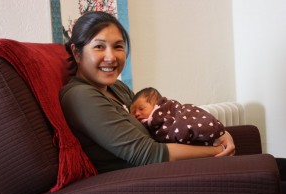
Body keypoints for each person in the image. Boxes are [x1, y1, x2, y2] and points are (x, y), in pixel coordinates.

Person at [59, 11, 234, 174]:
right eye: (99, 47)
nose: (111, 57)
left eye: (118, 46)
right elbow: (150, 154)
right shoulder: (80, 96)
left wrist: (218, 133)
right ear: (77, 53)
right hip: (141, 180)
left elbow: (164, 120)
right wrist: (217, 150)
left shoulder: (117, 88)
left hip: (167, 168)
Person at [130, 87, 225, 146]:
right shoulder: (147, 125)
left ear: (156, 105)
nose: (137, 113)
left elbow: (180, 118)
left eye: (141, 108)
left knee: (186, 124)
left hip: (185, 122)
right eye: (133, 112)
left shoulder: (164, 112)